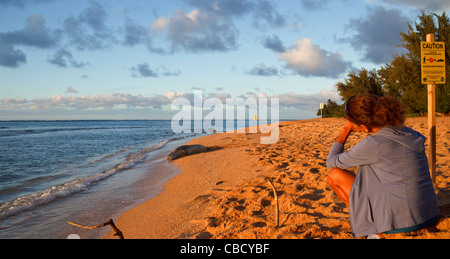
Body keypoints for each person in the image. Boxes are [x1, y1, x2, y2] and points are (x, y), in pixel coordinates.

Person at [326, 94, 439, 238]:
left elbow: (331, 161)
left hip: (401, 222)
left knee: (335, 176)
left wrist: (345, 130)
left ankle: (375, 229)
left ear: (364, 127)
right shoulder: (408, 132)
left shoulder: (375, 143)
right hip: (429, 213)